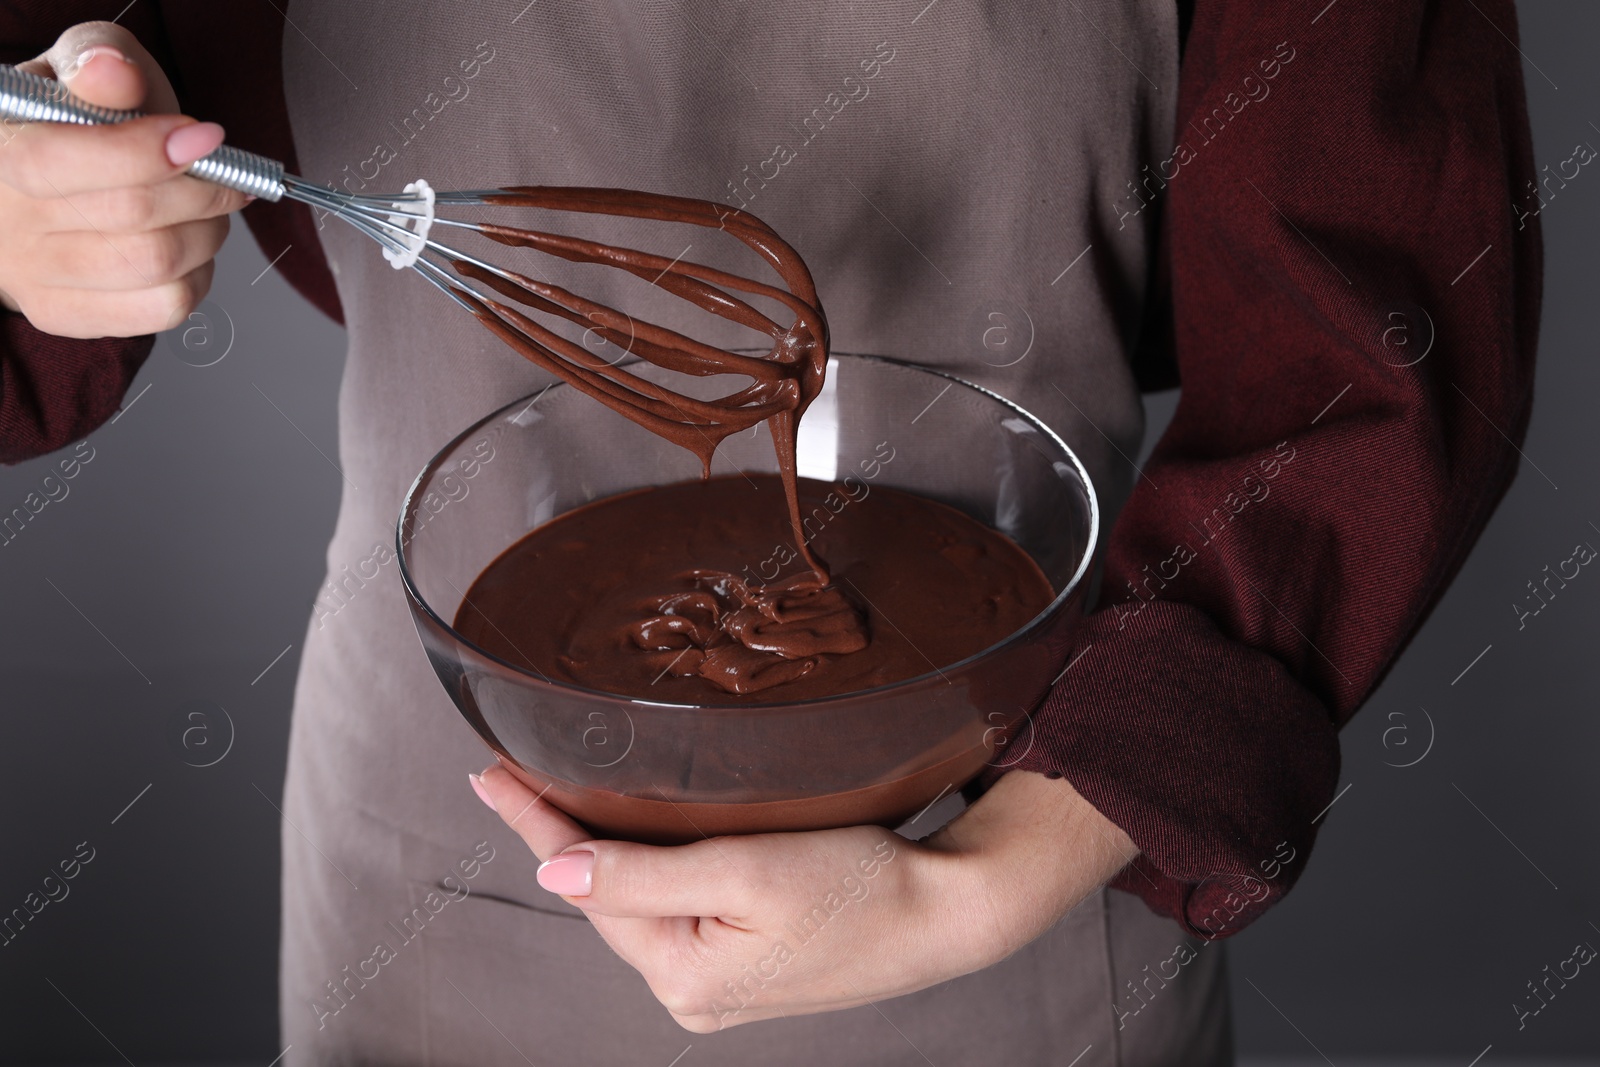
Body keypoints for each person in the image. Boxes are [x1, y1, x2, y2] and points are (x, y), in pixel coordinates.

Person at [0, 2, 1539, 1063]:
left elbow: (1376, 347)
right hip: (441, 858)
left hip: (1035, 846)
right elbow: (55, 111)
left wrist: (1005, 867)